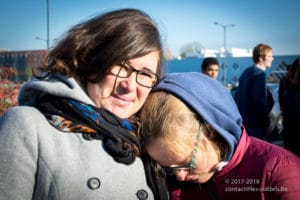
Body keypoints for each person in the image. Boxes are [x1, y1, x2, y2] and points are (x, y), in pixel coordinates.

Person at [0, 8, 168, 200]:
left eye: (145, 74)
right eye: (121, 67)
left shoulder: (148, 141)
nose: (129, 85)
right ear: (90, 62)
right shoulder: (27, 125)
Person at [140, 72, 300, 200]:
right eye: (167, 168)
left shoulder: (281, 173)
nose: (180, 177)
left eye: (186, 164)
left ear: (211, 131)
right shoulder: (174, 181)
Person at [235, 43, 274, 139]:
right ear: (261, 58)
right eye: (269, 56)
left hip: (244, 124)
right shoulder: (259, 74)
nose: (272, 58)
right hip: (256, 126)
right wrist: (267, 123)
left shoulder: (246, 72)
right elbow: (259, 102)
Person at [278, 58, 300, 155]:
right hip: (293, 122)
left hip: (288, 123)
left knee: (290, 153)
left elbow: (281, 101)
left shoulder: (284, 81)